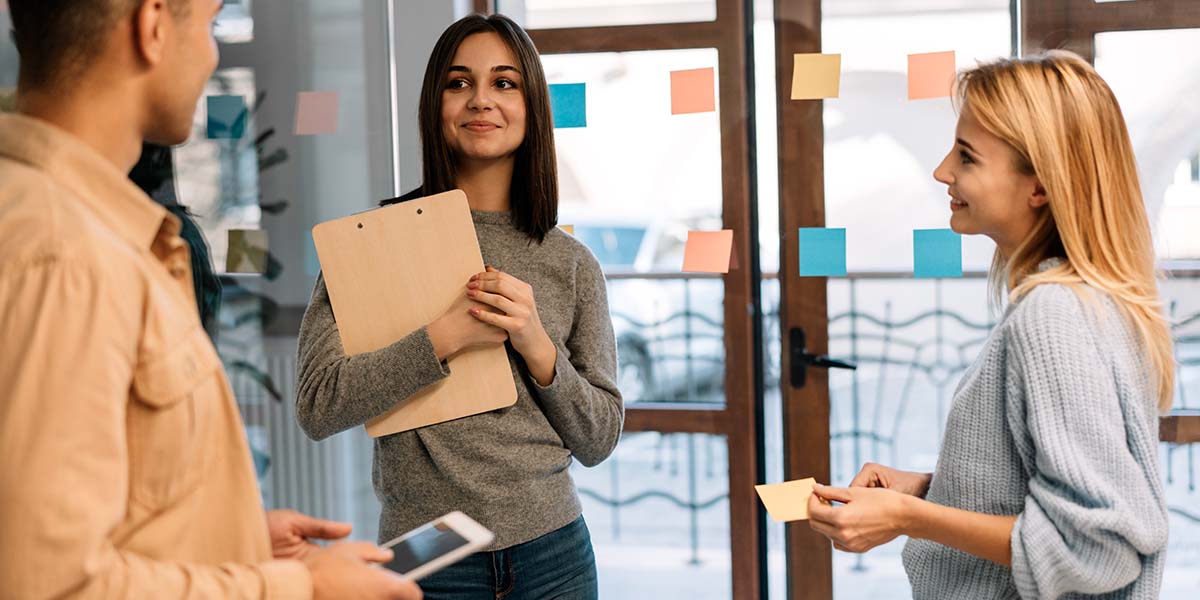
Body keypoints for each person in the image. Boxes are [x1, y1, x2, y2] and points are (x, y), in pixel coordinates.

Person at [0, 1, 421, 598]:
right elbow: (49, 582)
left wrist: (229, 540)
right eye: (211, 23)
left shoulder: (66, 225)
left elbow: (92, 517)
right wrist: (300, 589)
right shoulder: (64, 255)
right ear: (152, 28)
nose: (213, 53)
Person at [806, 51, 1172, 599]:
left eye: (968, 157)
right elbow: (1048, 495)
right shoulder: (1087, 300)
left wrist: (908, 516)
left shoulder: (1054, 316)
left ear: (1040, 187)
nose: (942, 172)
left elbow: (1099, 547)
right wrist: (935, 489)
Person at [295, 13, 623, 600]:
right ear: (435, 103)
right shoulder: (370, 243)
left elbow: (599, 439)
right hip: (426, 553)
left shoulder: (570, 263)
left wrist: (537, 344)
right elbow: (318, 405)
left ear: (532, 105)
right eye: (458, 82)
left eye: (504, 83)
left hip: (553, 552)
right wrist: (441, 338)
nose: (480, 100)